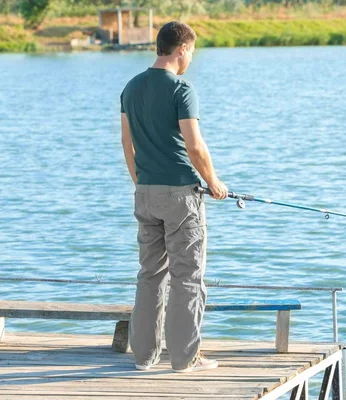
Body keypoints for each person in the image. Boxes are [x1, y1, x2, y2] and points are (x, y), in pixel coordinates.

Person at [120, 21, 228, 373]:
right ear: (181, 48)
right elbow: (194, 146)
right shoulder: (181, 89)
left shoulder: (131, 87)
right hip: (181, 194)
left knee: (149, 275)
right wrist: (214, 182)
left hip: (146, 193)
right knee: (187, 277)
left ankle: (143, 357)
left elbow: (127, 144)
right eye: (191, 51)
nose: (191, 59)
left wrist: (142, 183)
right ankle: (185, 359)